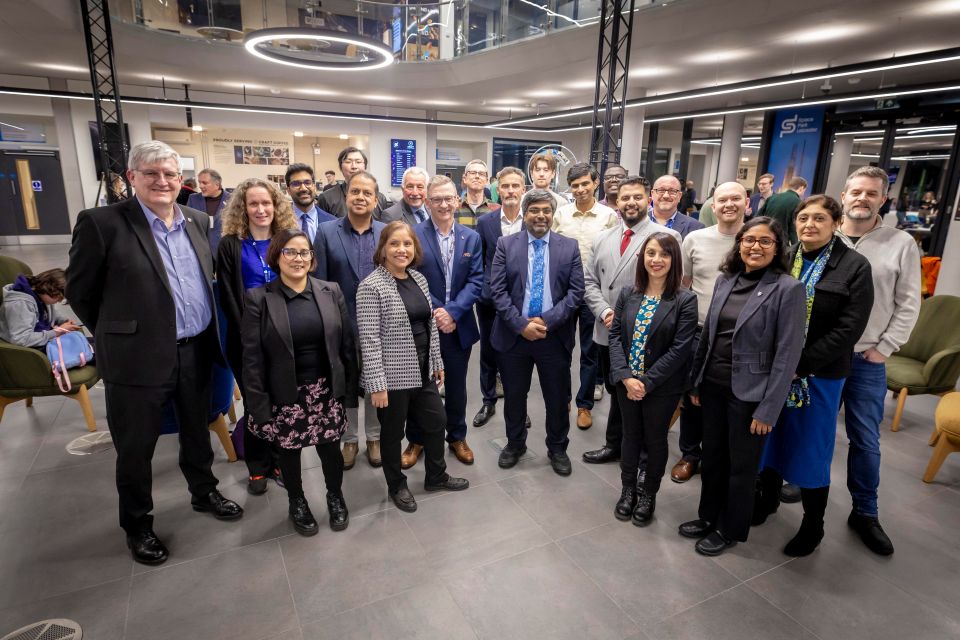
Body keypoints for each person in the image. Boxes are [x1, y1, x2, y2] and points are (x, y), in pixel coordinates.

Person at [67, 141, 243, 566]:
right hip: (137, 359)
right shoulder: (102, 224)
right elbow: (80, 292)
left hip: (196, 349)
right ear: (132, 178)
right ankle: (138, 525)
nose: (162, 181)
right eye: (151, 173)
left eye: (169, 173)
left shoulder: (199, 221)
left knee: (197, 431)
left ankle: (203, 492)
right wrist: (122, 333)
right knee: (136, 446)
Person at [678, 216, 805, 556]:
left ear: (778, 248)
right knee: (714, 458)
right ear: (739, 244)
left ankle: (730, 528)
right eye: (749, 240)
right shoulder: (726, 280)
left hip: (751, 394)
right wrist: (696, 382)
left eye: (765, 241)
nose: (755, 247)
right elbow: (708, 334)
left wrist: (768, 409)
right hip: (714, 386)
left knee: (741, 466)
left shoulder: (788, 289)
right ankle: (708, 516)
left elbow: (787, 355)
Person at [756, 195, 873, 556]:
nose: (809, 224)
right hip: (776, 372)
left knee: (810, 449)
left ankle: (813, 524)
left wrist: (800, 363)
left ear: (836, 223)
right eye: (803, 218)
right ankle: (768, 499)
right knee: (770, 439)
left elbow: (849, 329)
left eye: (819, 218)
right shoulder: (786, 257)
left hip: (819, 375)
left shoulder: (853, 266)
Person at [241, 229, 357, 535]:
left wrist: (349, 391)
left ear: (312, 258)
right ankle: (297, 502)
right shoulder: (259, 299)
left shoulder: (330, 291)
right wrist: (259, 406)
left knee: (330, 450)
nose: (298, 258)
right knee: (289, 453)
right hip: (285, 393)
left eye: (304, 252)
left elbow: (346, 345)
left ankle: (335, 496)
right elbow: (252, 358)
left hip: (325, 388)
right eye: (290, 252)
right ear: (277, 256)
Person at [357, 221, 470, 512]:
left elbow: (430, 324)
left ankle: (436, 475)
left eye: (407, 244)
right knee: (393, 435)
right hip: (392, 379)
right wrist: (377, 386)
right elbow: (368, 341)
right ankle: (397, 485)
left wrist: (436, 361)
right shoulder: (371, 286)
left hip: (423, 372)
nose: (401, 249)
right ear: (382, 249)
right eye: (394, 244)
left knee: (436, 422)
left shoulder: (418, 279)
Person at [837, 166, 921, 556]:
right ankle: (801, 482)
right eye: (856, 192)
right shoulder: (823, 234)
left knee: (866, 440)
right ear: (844, 194)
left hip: (866, 359)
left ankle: (865, 512)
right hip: (819, 358)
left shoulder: (900, 243)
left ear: (883, 199)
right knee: (811, 428)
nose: (862, 199)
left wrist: (885, 348)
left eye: (871, 194)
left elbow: (909, 303)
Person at [582, 177, 680, 465]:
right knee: (616, 390)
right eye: (625, 198)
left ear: (648, 199)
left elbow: (673, 288)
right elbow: (590, 281)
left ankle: (643, 451)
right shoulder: (603, 237)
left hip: (646, 334)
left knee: (643, 391)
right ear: (616, 202)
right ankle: (616, 444)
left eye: (637, 197)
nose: (631, 203)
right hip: (607, 329)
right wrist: (604, 311)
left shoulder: (664, 238)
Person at [489, 188, 585, 476]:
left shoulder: (569, 246)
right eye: (534, 210)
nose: (540, 215)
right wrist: (521, 325)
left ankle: (557, 448)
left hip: (552, 336)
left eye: (546, 210)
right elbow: (497, 290)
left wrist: (544, 321)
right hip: (513, 335)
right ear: (525, 213)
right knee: (515, 396)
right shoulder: (506, 244)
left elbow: (576, 292)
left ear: (552, 214)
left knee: (556, 397)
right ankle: (515, 443)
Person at [608, 233, 698, 525]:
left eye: (664, 254)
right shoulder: (627, 293)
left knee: (655, 439)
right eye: (651, 253)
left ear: (675, 260)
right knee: (630, 436)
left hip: (661, 387)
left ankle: (648, 495)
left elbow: (680, 349)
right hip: (626, 383)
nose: (656, 260)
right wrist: (624, 377)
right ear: (642, 258)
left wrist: (645, 382)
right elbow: (615, 337)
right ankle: (628, 489)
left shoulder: (685, 300)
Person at [217, 178, 298, 495]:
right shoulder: (230, 245)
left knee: (281, 404)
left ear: (276, 206)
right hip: (246, 341)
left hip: (285, 339)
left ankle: (279, 462)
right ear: (243, 208)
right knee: (255, 405)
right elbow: (227, 296)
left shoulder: (289, 240)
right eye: (254, 203)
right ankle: (257, 467)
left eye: (267, 203)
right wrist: (252, 337)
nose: (261, 209)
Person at [670, 182, 747, 483]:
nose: (729, 204)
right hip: (699, 330)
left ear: (747, 203)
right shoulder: (695, 239)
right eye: (722, 200)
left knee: (732, 398)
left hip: (739, 336)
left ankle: (722, 456)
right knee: (693, 395)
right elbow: (684, 284)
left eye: (735, 199)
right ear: (712, 206)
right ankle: (690, 453)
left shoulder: (755, 239)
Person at [405, 176, 483, 466]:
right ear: (427, 202)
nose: (443, 204)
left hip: (458, 325)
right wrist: (439, 311)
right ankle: (416, 439)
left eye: (448, 198)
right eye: (436, 199)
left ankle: (457, 436)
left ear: (457, 200)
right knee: (419, 386)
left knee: (457, 386)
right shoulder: (414, 235)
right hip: (424, 325)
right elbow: (410, 276)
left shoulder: (470, 238)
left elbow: (477, 281)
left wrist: (453, 312)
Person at [313, 171, 386, 469]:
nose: (360, 197)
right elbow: (318, 281)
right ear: (346, 196)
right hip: (340, 323)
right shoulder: (327, 232)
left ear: (376, 199)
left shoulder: (386, 232)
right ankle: (350, 439)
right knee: (346, 381)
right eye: (355, 191)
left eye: (367, 193)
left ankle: (374, 437)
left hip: (379, 322)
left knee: (375, 381)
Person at [553, 162, 618, 429]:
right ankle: (564, 397)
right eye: (575, 185)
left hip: (593, 291)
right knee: (562, 349)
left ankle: (584, 405)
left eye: (585, 184)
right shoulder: (561, 214)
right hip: (564, 291)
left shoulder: (608, 216)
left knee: (590, 352)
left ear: (594, 184)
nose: (580, 189)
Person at [473, 167, 527, 428]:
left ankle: (518, 404)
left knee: (519, 354)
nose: (510, 191)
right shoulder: (485, 222)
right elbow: (480, 260)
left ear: (523, 190)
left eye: (515, 186)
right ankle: (488, 400)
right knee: (489, 350)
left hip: (523, 302)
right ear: (497, 190)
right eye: (505, 186)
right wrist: (486, 291)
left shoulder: (533, 221)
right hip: (490, 301)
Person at [0, 268, 79, 347]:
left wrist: (64, 321)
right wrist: (57, 332)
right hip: (27, 349)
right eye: (59, 298)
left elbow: (50, 314)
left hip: (40, 338)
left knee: (83, 345)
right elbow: (21, 339)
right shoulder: (19, 304)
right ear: (50, 289)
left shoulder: (40, 295)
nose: (59, 301)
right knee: (80, 349)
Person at [317, 147, 391, 218]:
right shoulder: (326, 198)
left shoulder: (380, 198)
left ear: (365, 166)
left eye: (358, 162)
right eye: (348, 162)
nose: (354, 166)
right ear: (340, 167)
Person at [286, 163, 335, 245]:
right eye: (296, 184)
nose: (303, 188)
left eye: (307, 183)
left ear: (314, 187)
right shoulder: (278, 222)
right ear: (288, 190)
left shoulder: (332, 222)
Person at [187, 168, 231, 259]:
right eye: (199, 182)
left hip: (224, 251)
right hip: (200, 251)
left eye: (204, 183)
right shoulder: (193, 199)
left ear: (217, 184)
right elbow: (188, 224)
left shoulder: (232, 199)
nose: (200, 186)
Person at [651, 175, 705, 239]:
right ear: (652, 194)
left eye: (672, 191)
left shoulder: (696, 228)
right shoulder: (637, 222)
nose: (666, 196)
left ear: (679, 196)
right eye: (661, 190)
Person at [761, 177, 808, 245]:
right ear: (801, 188)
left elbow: (758, 216)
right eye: (804, 190)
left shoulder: (772, 197)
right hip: (781, 242)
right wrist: (795, 245)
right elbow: (793, 227)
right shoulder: (798, 203)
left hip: (765, 237)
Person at [456, 159, 500, 229]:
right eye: (473, 173)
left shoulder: (497, 209)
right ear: (464, 179)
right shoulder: (454, 208)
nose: (477, 176)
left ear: (486, 180)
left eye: (481, 174)